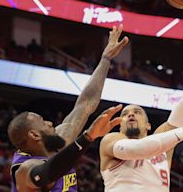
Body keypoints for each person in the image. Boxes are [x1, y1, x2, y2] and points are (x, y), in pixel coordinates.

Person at [99, 13, 183, 191]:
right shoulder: (111, 141)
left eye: (137, 112)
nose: (131, 114)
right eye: (125, 114)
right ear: (120, 125)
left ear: (149, 125)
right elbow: (139, 149)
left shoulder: (163, 144)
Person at [8, 25, 129, 192]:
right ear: (34, 135)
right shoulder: (24, 168)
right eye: (42, 122)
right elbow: (47, 172)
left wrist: (105, 59)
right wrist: (87, 137)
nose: (50, 123)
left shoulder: (58, 141)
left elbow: (84, 104)